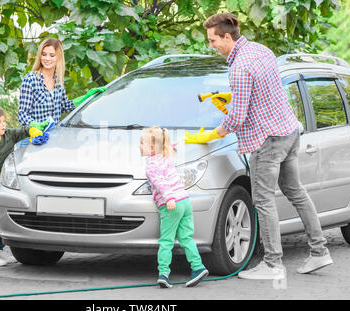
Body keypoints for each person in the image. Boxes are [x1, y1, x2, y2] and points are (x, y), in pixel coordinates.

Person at [185, 13, 333, 279]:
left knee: (263, 200)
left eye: (213, 40)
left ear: (227, 37)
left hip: (267, 141)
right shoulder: (261, 51)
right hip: (288, 132)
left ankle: (273, 265)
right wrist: (232, 96)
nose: (211, 46)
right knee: (295, 191)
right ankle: (320, 252)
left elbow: (237, 117)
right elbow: (266, 88)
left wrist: (210, 135)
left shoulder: (239, 68)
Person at [0, 105, 45, 266]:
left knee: (3, 219)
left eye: (3, 121)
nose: (4, 125)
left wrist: (34, 131)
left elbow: (26, 130)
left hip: (7, 186)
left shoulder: (9, 136)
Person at [140, 126, 209, 288]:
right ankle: (198, 267)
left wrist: (169, 198)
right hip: (185, 201)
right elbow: (168, 147)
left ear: (151, 148)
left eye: (141, 143)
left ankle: (163, 273)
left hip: (171, 203)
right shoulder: (165, 155)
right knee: (186, 237)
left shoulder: (151, 164)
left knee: (166, 241)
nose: (139, 146)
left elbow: (159, 182)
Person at [18, 38, 75, 146]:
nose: (47, 58)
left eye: (52, 55)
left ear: (58, 58)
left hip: (52, 140)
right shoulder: (30, 79)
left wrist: (85, 98)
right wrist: (35, 126)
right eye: (44, 54)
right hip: (31, 140)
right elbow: (23, 114)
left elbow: (63, 106)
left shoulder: (58, 81)